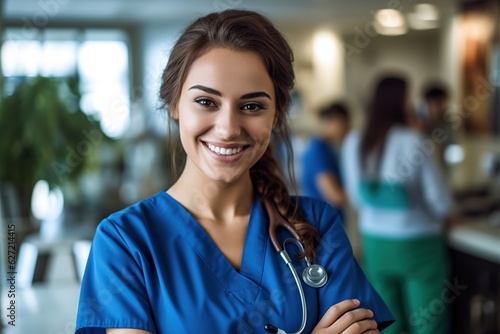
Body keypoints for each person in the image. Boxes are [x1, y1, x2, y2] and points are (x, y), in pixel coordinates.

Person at [75, 10, 394, 334]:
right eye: (206, 102)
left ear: (277, 114)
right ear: (173, 104)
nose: (228, 129)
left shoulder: (317, 227)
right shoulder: (125, 241)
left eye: (252, 106)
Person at [342, 76, 454, 334]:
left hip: (375, 243)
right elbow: (439, 200)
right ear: (402, 101)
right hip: (418, 246)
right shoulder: (413, 141)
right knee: (427, 321)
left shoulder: (353, 142)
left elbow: (355, 198)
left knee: (387, 321)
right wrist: (449, 215)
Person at [301, 102, 350, 217]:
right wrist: (364, 197)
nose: (348, 128)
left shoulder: (328, 148)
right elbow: (334, 195)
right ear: (336, 121)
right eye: (346, 123)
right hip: (323, 224)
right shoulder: (318, 150)